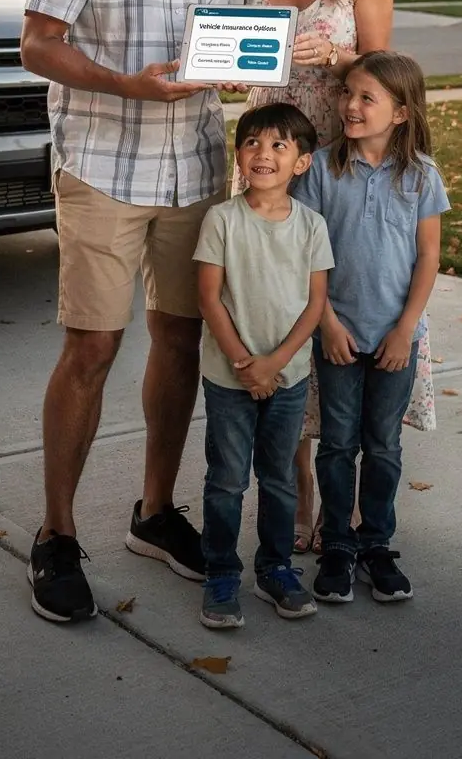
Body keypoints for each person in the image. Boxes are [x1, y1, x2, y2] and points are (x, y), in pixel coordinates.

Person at [20, 0, 244, 624]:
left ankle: (154, 514)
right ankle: (56, 535)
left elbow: (230, 40)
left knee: (180, 336)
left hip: (192, 167)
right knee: (94, 346)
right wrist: (126, 82)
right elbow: (37, 44)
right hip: (106, 168)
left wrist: (235, 67)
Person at [233, 0, 436, 553]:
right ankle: (295, 495)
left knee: (341, 314)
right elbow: (233, 51)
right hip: (268, 162)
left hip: (341, 161)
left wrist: (338, 58)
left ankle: (345, 504)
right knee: (275, 317)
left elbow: (383, 68)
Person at [292, 51, 449, 605]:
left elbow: (428, 258)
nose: (351, 106)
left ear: (402, 112)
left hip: (394, 338)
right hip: (337, 331)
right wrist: (327, 325)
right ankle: (337, 545)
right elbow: (307, 257)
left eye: (366, 98)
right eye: (347, 94)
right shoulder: (322, 168)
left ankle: (376, 543)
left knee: (383, 446)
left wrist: (405, 329)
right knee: (337, 446)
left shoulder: (422, 175)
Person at [195, 102, 333, 629]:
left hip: (289, 376)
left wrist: (274, 363)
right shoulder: (221, 220)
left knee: (277, 479)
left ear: (301, 162)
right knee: (227, 480)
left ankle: (276, 569)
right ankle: (221, 574)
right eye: (252, 142)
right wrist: (242, 363)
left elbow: (315, 304)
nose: (263, 154)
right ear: (238, 154)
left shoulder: (312, 226)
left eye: (279, 145)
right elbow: (210, 298)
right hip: (228, 377)